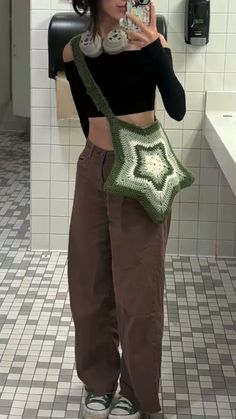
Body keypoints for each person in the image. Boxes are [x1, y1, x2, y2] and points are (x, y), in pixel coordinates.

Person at [63, 1, 186, 418]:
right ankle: (98, 382)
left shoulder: (151, 42)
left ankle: (135, 391)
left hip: (142, 171)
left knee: (139, 291)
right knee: (89, 284)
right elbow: (86, 117)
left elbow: (177, 107)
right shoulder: (73, 52)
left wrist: (156, 51)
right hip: (93, 168)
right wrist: (101, 152)